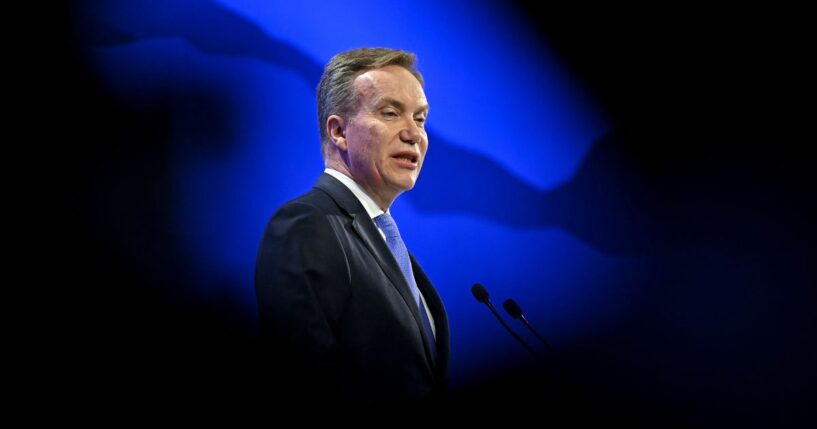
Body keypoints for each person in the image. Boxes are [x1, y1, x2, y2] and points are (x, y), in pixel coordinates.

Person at [254, 48, 449, 410]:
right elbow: (300, 376)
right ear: (339, 131)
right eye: (390, 113)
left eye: (420, 119)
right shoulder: (307, 225)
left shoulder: (383, 241)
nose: (413, 134)